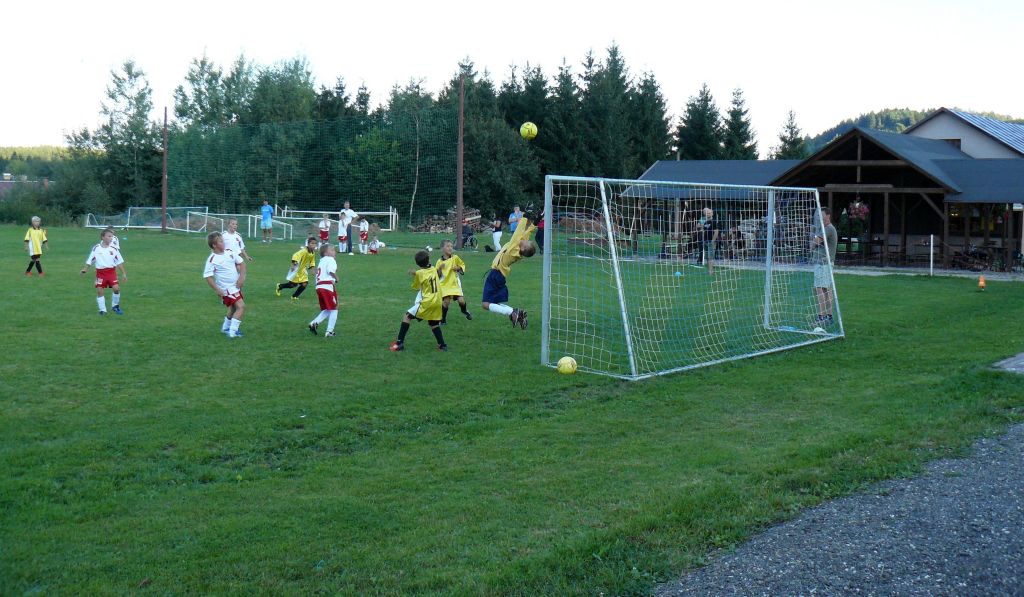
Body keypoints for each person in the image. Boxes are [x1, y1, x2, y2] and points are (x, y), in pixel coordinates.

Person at [482, 216, 537, 329]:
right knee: (494, 303)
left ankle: (512, 313)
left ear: (522, 249)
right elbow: (526, 234)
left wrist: (525, 216)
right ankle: (516, 313)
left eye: (526, 242)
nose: (525, 240)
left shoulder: (513, 249)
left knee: (486, 304)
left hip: (495, 275)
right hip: (499, 276)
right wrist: (535, 222)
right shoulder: (519, 248)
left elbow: (518, 232)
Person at [389, 250, 447, 352]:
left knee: (407, 316)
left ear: (417, 263)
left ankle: (399, 343)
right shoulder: (433, 268)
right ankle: (442, 345)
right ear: (428, 260)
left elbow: (416, 287)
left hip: (427, 302)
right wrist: (439, 269)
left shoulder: (419, 273)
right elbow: (434, 273)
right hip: (438, 301)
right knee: (433, 323)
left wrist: (414, 274)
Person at [203, 231, 247, 338]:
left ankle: (225, 328)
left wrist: (241, 278)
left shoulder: (229, 252)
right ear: (214, 245)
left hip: (235, 286)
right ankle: (232, 332)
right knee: (241, 307)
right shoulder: (212, 259)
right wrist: (217, 289)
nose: (224, 243)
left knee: (233, 308)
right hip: (227, 289)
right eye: (221, 241)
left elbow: (242, 263)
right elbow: (207, 276)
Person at [81, 228, 127, 315]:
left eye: (112, 236)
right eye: (109, 236)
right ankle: (102, 310)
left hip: (111, 272)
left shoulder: (114, 249)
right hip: (100, 273)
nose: (111, 238)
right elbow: (91, 259)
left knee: (116, 288)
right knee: (99, 290)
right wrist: (85, 269)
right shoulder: (96, 248)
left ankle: (115, 306)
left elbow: (119, 262)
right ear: (103, 237)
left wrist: (124, 274)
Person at [812, 208, 838, 325]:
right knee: (826, 289)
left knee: (819, 288)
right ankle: (829, 316)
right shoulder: (826, 229)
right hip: (824, 263)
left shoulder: (828, 229)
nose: (820, 218)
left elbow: (814, 243)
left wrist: (813, 237)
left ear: (828, 216)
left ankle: (821, 317)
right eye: (819, 216)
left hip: (823, 264)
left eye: (822, 216)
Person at [435, 239, 472, 325]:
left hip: (455, 283)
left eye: (451, 246)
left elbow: (462, 265)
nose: (450, 248)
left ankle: (464, 311)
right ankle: (443, 319)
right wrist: (440, 269)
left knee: (461, 301)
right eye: (447, 246)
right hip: (444, 284)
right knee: (446, 302)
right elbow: (438, 275)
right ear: (442, 248)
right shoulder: (439, 262)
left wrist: (458, 268)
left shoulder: (455, 258)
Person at [308, 243, 340, 338]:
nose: (335, 252)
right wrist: (336, 277)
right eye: (332, 250)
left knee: (328, 308)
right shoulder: (330, 260)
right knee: (334, 308)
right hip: (326, 286)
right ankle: (329, 332)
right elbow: (330, 271)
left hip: (319, 287)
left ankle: (314, 323)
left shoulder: (321, 261)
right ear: (326, 253)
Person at [276, 236, 318, 302]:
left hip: (303, 270)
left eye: (315, 244)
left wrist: (313, 269)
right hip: (296, 269)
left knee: (305, 283)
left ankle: (294, 296)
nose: (313, 245)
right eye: (312, 243)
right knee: (292, 285)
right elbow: (296, 255)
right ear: (308, 244)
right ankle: (280, 286)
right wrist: (293, 264)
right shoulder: (304, 251)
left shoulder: (313, 253)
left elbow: (312, 261)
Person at [699, 207, 721, 274]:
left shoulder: (714, 222)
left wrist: (713, 241)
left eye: (709, 213)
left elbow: (716, 232)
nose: (708, 214)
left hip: (711, 242)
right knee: (707, 258)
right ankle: (709, 271)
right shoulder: (705, 222)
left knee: (710, 257)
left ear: (712, 214)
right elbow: (703, 231)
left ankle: (711, 271)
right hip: (705, 241)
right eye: (706, 213)